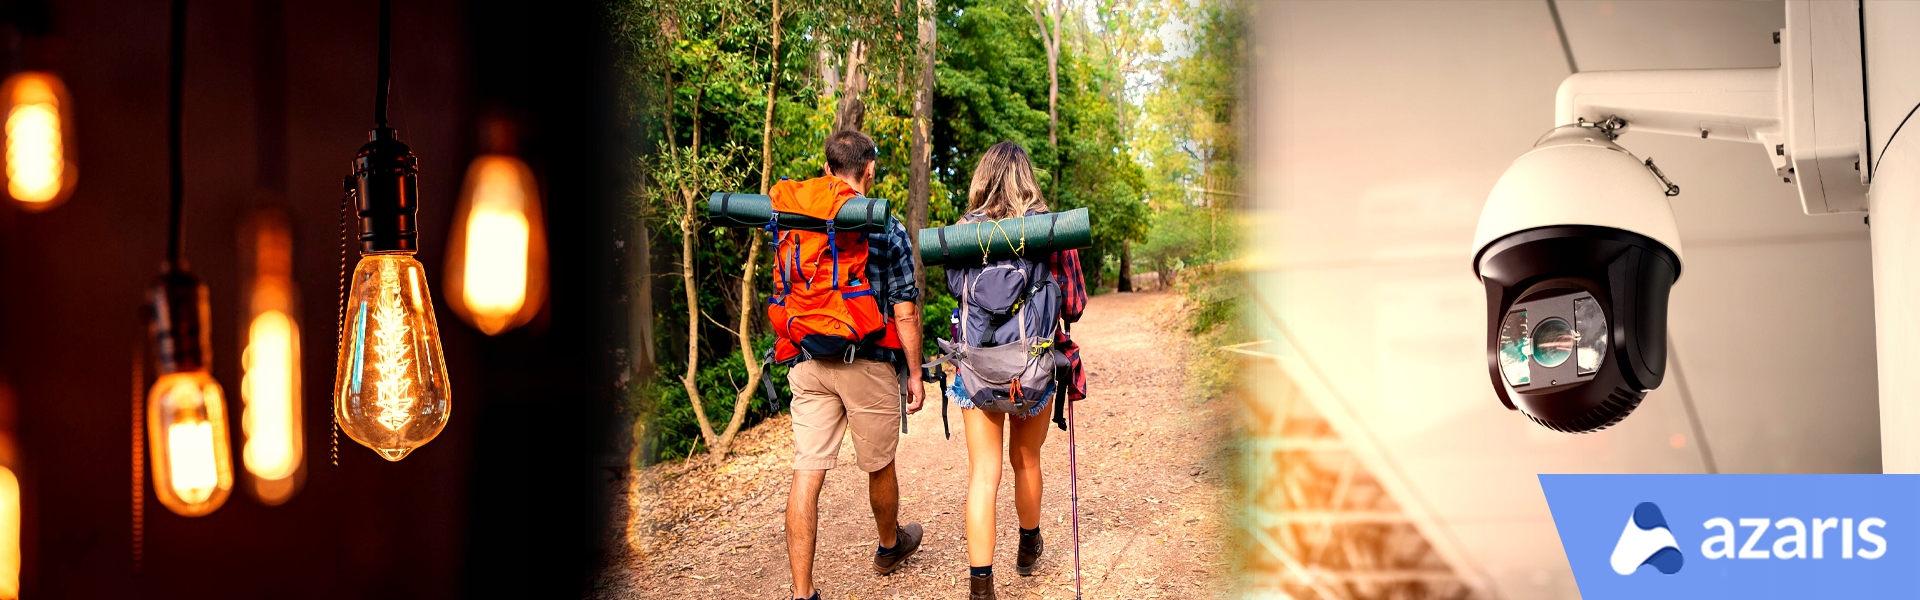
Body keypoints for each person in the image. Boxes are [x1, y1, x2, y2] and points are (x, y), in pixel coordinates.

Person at [781, 130, 928, 600]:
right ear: (869, 169)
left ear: (827, 169)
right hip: (866, 363)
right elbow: (904, 309)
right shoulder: (886, 225)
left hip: (807, 359)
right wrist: (916, 373)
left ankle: (803, 593)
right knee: (879, 463)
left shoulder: (795, 218)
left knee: (807, 471)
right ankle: (889, 546)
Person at [946, 142, 1088, 600]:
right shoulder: (1051, 231)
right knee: (1026, 459)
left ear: (982, 179)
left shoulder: (963, 234)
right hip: (1032, 369)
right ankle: (1028, 546)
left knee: (982, 473)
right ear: (1029, 178)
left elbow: (957, 294)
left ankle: (981, 587)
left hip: (977, 370)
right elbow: (1076, 306)